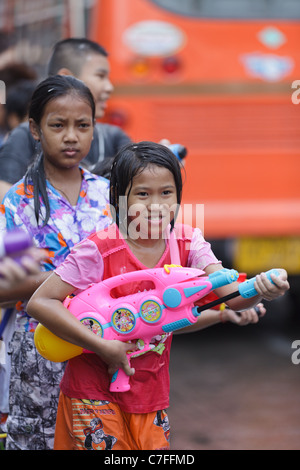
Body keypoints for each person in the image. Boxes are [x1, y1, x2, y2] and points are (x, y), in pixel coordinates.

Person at [27, 141, 289, 451]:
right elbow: (40, 302)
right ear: (119, 199)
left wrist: (260, 289)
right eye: (142, 194)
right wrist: (102, 347)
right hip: (92, 392)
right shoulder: (98, 249)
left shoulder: (189, 242)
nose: (156, 204)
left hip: (151, 395)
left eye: (166, 193)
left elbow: (230, 297)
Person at [0, 74, 111, 450]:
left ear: (94, 128)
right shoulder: (18, 203)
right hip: (39, 352)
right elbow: (10, 281)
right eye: (57, 125)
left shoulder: (110, 196)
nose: (71, 136)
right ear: (34, 128)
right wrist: (64, 282)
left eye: (82, 125)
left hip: (103, 345)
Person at [0, 38, 131, 201]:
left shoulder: (114, 137)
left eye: (83, 126)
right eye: (100, 76)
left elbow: (134, 184)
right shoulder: (24, 135)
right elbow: (4, 191)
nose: (109, 87)